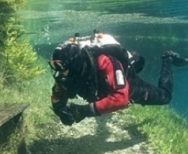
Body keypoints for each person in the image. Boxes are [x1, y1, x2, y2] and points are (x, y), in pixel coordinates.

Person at [49, 31, 188, 126]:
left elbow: (121, 99)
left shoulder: (105, 61)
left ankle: (168, 57)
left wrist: (83, 111)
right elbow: (57, 95)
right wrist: (61, 110)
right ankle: (135, 61)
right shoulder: (67, 73)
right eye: (54, 65)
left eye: (60, 67)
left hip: (129, 84)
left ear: (75, 64)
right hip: (108, 81)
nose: (58, 72)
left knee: (165, 96)